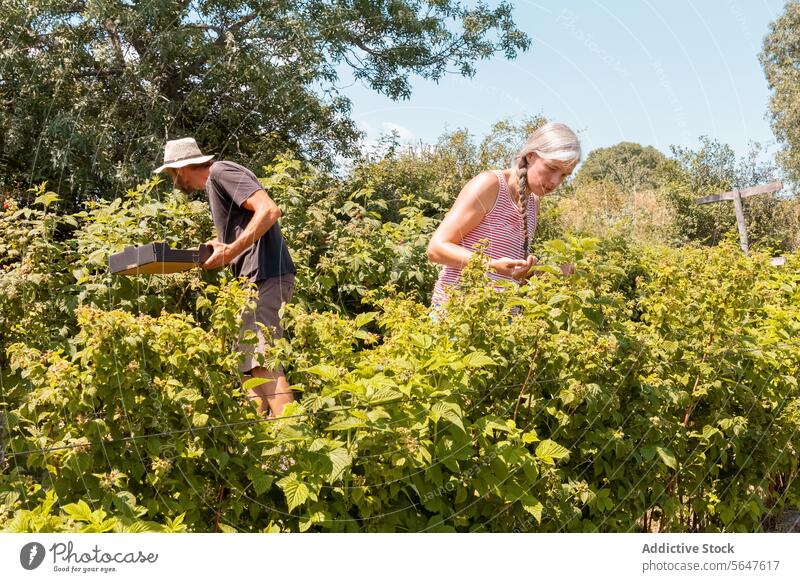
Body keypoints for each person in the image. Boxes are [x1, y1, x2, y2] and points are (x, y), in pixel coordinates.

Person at [154, 137, 296, 417]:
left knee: (262, 359)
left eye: (171, 174)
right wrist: (223, 245)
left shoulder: (221, 171)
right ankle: (258, 445)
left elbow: (269, 210)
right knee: (248, 362)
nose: (173, 182)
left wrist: (231, 250)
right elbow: (246, 229)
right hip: (253, 281)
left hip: (265, 275)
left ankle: (293, 445)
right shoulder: (215, 185)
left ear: (181, 168)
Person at [427, 122, 581, 311]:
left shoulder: (533, 202)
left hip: (502, 322)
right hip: (457, 313)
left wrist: (546, 271)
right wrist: (490, 265)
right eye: (551, 168)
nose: (556, 181)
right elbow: (436, 249)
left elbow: (514, 273)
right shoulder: (490, 185)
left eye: (565, 175)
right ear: (531, 155)